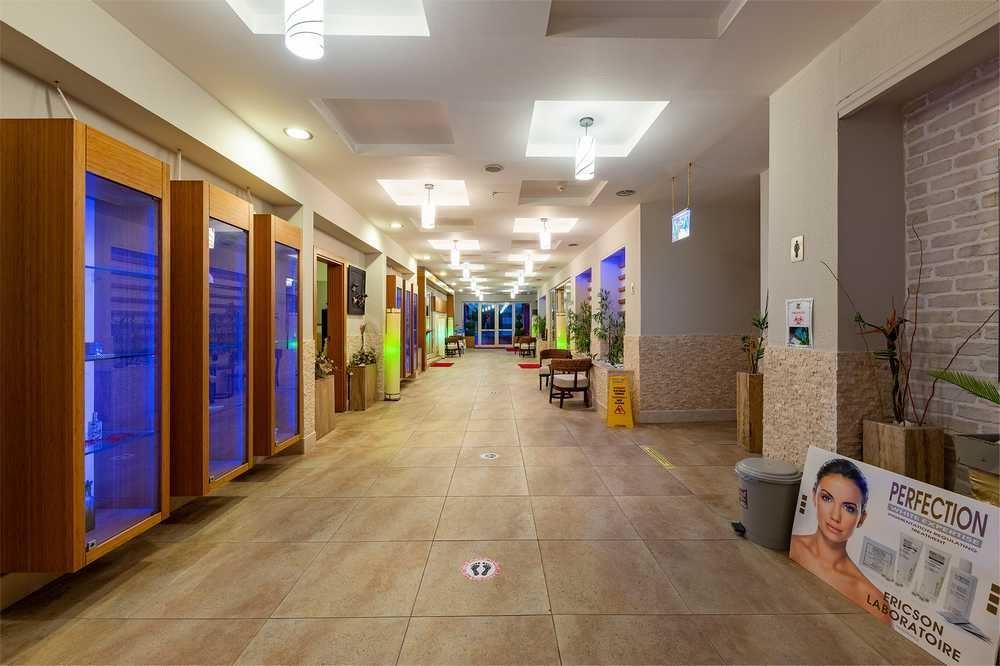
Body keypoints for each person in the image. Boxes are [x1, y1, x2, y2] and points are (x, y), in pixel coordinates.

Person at [790, 458, 890, 625]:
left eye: (849, 508)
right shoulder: (790, 545)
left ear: (861, 518)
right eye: (827, 498)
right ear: (814, 497)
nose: (835, 516)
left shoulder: (871, 598)